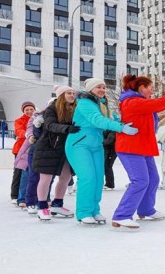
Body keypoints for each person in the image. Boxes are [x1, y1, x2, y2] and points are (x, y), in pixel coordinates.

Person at [112, 74, 165, 231]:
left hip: (142, 147)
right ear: (142, 88)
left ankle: (145, 209)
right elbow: (159, 104)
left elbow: (156, 105)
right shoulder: (132, 102)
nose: (153, 89)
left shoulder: (141, 102)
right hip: (130, 147)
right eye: (150, 86)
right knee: (140, 181)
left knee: (153, 179)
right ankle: (121, 216)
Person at [65, 79, 138, 225]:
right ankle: (84, 212)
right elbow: (97, 120)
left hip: (96, 145)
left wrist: (122, 123)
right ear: (90, 89)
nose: (102, 90)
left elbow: (112, 118)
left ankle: (94, 210)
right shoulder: (85, 103)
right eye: (99, 87)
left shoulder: (102, 104)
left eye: (104, 87)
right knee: (88, 177)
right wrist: (119, 128)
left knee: (99, 179)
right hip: (79, 144)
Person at [32, 86, 77, 221]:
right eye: (69, 93)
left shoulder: (75, 109)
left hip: (65, 148)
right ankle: (42, 207)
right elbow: (49, 125)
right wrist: (67, 128)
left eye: (73, 93)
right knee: (46, 178)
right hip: (49, 146)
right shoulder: (52, 108)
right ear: (61, 95)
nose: (72, 95)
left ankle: (57, 204)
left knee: (66, 176)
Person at [10, 101, 35, 205]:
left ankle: (29, 194)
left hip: (33, 149)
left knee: (31, 173)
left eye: (31, 109)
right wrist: (28, 134)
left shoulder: (37, 119)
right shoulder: (19, 120)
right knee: (18, 173)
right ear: (23, 111)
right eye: (26, 110)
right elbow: (18, 131)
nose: (29, 111)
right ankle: (15, 195)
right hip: (20, 150)